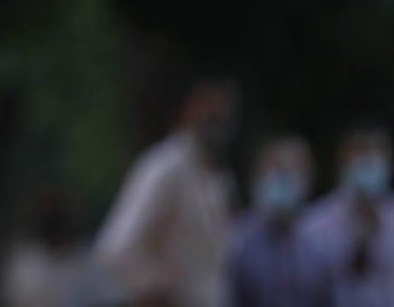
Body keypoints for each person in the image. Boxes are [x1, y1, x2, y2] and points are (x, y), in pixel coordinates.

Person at [92, 79, 239, 307]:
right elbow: (116, 247)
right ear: (188, 109)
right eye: (211, 108)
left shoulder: (218, 178)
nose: (219, 117)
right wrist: (152, 289)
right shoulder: (165, 166)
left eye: (224, 109)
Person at [298, 125, 394, 306]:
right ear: (342, 160)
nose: (369, 160)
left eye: (378, 150)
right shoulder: (313, 225)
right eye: (360, 150)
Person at [228, 136, 317, 307]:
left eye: (290, 172)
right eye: (275, 172)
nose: (281, 181)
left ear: (307, 179)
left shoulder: (318, 239)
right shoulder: (238, 239)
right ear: (257, 178)